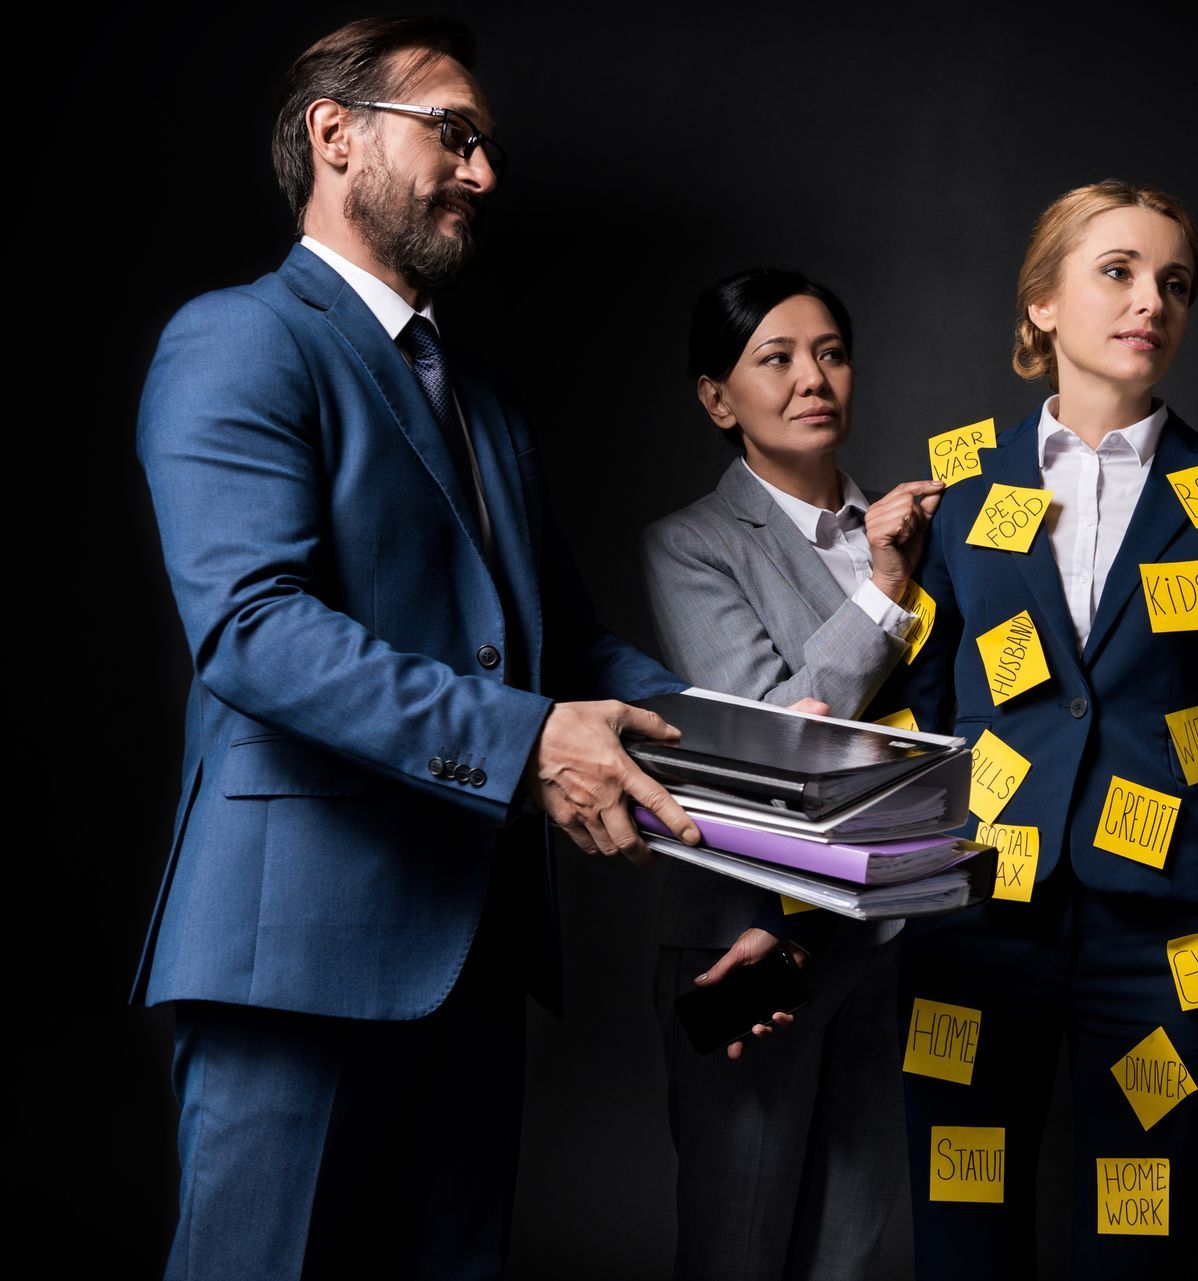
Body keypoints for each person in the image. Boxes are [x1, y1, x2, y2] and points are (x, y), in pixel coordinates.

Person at [132, 17, 708, 1278]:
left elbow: (568, 649)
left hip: (476, 954)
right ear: (334, 134)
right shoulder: (239, 337)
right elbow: (252, 630)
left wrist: (773, 749)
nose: (484, 173)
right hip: (294, 955)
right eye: (455, 134)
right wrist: (529, 743)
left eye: (488, 147)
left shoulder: (484, 402)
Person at [894, 180, 1198, 1277]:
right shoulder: (959, 479)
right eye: (1117, 271)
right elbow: (918, 725)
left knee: (1137, 1242)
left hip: (1171, 953)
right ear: (1041, 303)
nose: (1151, 302)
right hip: (974, 931)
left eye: (1174, 282)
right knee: (961, 1238)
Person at [638, 267, 943, 1280]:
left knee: (848, 1249)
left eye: (831, 353)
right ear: (718, 398)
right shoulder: (689, 546)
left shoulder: (922, 526)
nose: (813, 377)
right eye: (775, 358)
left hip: (893, 932)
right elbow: (769, 739)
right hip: (746, 943)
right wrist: (886, 593)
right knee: (738, 1245)